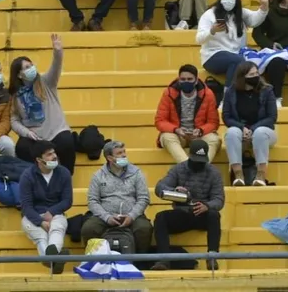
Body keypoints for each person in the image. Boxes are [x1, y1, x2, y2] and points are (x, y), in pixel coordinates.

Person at [151, 138, 224, 271]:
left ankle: (212, 256)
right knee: (160, 218)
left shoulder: (214, 173)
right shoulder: (178, 169)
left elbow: (219, 199)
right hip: (182, 213)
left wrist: (207, 206)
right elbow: (159, 187)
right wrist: (174, 191)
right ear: (190, 156)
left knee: (214, 215)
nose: (198, 164)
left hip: (203, 214)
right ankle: (163, 260)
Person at [9, 34, 76, 171]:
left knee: (67, 142)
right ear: (19, 74)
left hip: (56, 132)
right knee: (21, 147)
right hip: (35, 136)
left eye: (31, 65)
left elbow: (56, 67)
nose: (31, 68)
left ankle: (65, 176)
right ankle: (35, 177)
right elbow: (14, 120)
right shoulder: (15, 95)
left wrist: (58, 51)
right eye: (27, 67)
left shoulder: (46, 82)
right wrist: (26, 133)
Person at [81, 140, 153, 253]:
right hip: (105, 215)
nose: (124, 155)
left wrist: (131, 216)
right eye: (119, 153)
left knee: (144, 228)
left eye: (124, 152)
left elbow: (144, 198)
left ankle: (139, 263)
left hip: (132, 215)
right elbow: (93, 201)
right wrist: (107, 217)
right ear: (109, 158)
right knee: (89, 229)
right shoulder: (98, 176)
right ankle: (94, 261)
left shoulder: (136, 173)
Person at [197, 0, 269, 86]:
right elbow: (199, 39)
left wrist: (264, 5)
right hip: (212, 56)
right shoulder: (209, 14)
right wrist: (212, 31)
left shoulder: (241, 13)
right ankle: (228, 97)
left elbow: (255, 20)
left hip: (237, 54)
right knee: (237, 61)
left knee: (257, 63)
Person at [19, 140, 73, 273]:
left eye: (54, 153)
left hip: (56, 214)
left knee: (57, 228)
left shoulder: (63, 173)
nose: (54, 156)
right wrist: (40, 221)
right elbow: (26, 206)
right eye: (49, 154)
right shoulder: (27, 176)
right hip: (33, 216)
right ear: (39, 159)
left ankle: (50, 259)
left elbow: (67, 201)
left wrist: (52, 212)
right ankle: (55, 261)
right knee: (41, 236)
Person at [222, 62, 278, 186]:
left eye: (257, 73)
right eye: (251, 74)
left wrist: (252, 129)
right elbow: (226, 117)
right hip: (240, 132)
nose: (256, 76)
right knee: (231, 132)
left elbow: (272, 117)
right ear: (242, 77)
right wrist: (242, 128)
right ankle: (238, 174)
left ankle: (261, 175)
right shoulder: (231, 92)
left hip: (264, 132)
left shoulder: (267, 90)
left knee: (259, 133)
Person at [154, 64, 220, 162]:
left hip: (198, 135)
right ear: (179, 79)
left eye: (189, 79)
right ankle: (187, 167)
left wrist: (201, 130)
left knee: (214, 139)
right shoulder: (168, 93)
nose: (186, 82)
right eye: (183, 79)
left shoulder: (208, 94)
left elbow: (213, 122)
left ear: (196, 80)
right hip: (179, 134)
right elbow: (160, 121)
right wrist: (176, 130)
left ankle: (203, 167)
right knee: (166, 137)